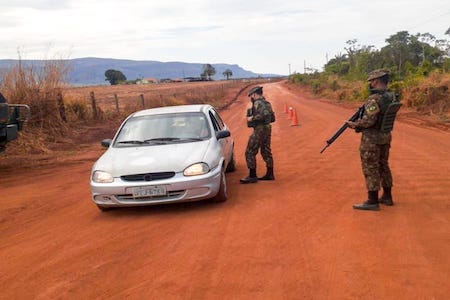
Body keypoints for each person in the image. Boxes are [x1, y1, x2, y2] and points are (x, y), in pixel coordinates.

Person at [346, 69, 400, 210]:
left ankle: (372, 200)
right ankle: (387, 197)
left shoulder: (374, 99)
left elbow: (369, 121)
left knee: (371, 167)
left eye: (371, 81)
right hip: (385, 136)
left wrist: (355, 124)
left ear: (375, 81)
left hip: (372, 138)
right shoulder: (392, 96)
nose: (370, 84)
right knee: (383, 165)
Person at [240, 86, 275, 184]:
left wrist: (252, 118)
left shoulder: (258, 103)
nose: (251, 97)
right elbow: (272, 117)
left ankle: (252, 176)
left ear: (255, 94)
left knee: (250, 151)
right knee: (266, 150)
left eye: (251, 95)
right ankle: (270, 173)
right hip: (267, 128)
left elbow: (263, 115)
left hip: (260, 129)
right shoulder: (267, 103)